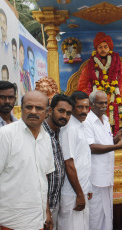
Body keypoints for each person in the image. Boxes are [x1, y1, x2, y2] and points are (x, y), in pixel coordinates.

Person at [0, 91, 54, 229]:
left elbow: (43, 178)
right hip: (10, 223)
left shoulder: (46, 138)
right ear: (21, 108)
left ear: (47, 111)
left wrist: (47, 213)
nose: (33, 111)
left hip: (37, 222)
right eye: (29, 107)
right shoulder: (5, 135)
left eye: (39, 108)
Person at [84, 90, 122, 230]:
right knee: (95, 214)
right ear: (91, 104)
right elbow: (91, 147)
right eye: (100, 103)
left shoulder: (104, 119)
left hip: (106, 175)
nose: (104, 105)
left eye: (106, 102)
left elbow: (106, 141)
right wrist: (116, 146)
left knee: (106, 213)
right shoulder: (87, 121)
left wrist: (116, 138)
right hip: (95, 176)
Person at [78, 32, 122, 129]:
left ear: (109, 48)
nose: (103, 49)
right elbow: (82, 85)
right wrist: (97, 95)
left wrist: (112, 94)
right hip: (96, 97)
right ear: (96, 49)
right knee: (97, 102)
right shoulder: (89, 67)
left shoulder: (119, 65)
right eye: (100, 47)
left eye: (105, 47)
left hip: (116, 96)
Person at [58, 91, 92, 230]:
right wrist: (79, 194)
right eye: (80, 107)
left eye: (86, 107)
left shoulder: (80, 126)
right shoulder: (69, 129)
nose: (84, 111)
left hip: (80, 190)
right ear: (72, 107)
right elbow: (69, 164)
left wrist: (87, 188)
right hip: (71, 192)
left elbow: (83, 160)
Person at [42, 94, 74, 230]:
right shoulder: (40, 133)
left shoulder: (58, 132)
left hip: (54, 202)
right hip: (41, 206)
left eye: (68, 113)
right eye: (61, 111)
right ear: (50, 111)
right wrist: (46, 210)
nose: (65, 116)